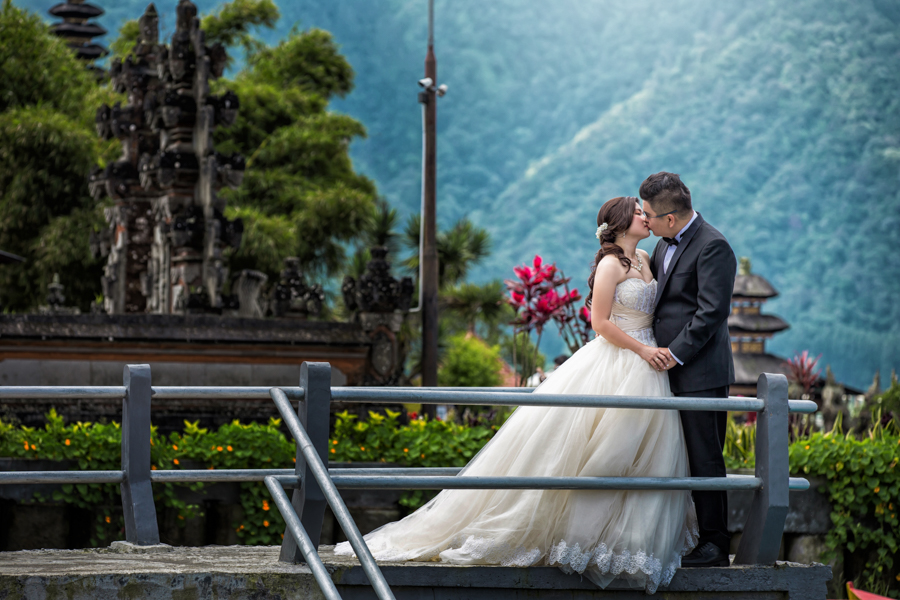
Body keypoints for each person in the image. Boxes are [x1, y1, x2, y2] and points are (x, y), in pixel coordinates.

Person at [336, 196, 698, 594]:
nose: (644, 216)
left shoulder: (646, 258)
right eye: (636, 212)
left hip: (649, 367)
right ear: (617, 222)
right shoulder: (610, 265)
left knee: (645, 457)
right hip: (620, 359)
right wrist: (643, 349)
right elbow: (600, 323)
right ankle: (578, 539)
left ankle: (627, 543)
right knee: (602, 453)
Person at [640, 172, 737, 568]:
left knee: (705, 458)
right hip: (665, 371)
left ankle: (715, 544)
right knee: (671, 456)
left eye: (648, 214)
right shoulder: (662, 246)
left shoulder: (714, 246)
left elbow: (711, 313)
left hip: (700, 373)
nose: (643, 219)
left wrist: (672, 353)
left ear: (670, 218)